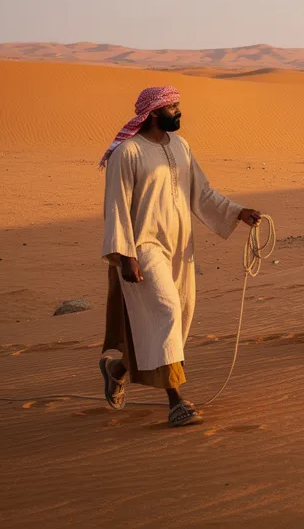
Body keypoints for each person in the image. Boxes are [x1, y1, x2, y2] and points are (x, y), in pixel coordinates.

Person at [98, 86, 261, 427]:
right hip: (143, 246)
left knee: (178, 316)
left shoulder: (181, 147)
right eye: (173, 107)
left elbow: (201, 192)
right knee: (167, 311)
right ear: (154, 112)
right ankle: (176, 402)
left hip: (180, 246)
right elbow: (116, 207)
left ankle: (118, 369)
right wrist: (125, 256)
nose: (179, 112)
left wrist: (237, 212)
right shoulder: (127, 153)